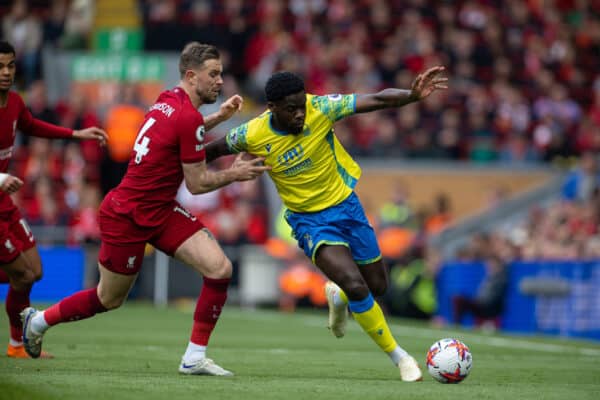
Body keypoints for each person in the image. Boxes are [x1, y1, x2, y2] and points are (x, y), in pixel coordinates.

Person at [21, 42, 270, 376]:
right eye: (213, 74)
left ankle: (194, 357)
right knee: (109, 299)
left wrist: (219, 118)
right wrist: (235, 174)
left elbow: (184, 131)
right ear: (192, 76)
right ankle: (38, 321)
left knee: (219, 268)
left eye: (221, 74)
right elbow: (196, 184)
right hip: (128, 215)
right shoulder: (186, 115)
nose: (220, 81)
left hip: (162, 210)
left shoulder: (169, 99)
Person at [205, 67, 448, 381]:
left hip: (347, 207)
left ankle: (340, 295)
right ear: (272, 108)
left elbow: (374, 99)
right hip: (308, 221)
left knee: (378, 286)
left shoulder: (321, 108)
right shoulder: (251, 133)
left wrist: (411, 96)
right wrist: (175, 161)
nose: (299, 115)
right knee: (357, 284)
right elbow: (208, 151)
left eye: (302, 107)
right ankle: (400, 358)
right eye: (291, 110)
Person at [0, 40, 107, 359]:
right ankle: (17, 344)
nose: (5, 72)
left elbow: (32, 126)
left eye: (10, 65)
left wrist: (75, 134)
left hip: (4, 204)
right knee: (21, 274)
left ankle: (16, 346)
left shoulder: (16, 103)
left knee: (34, 271)